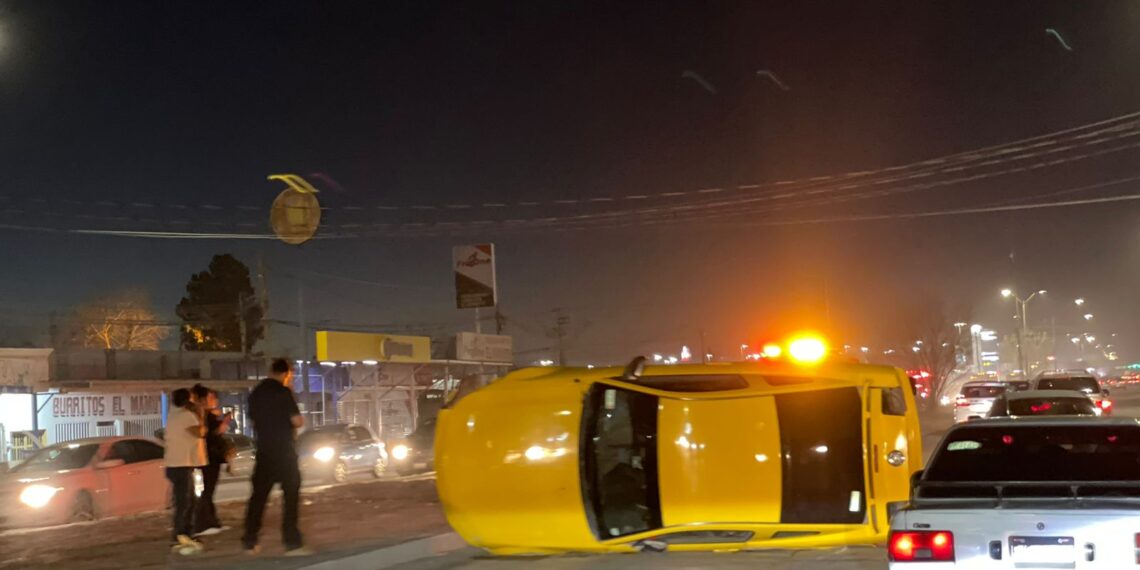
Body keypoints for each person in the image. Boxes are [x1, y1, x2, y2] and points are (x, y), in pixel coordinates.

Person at [242, 358, 310, 556]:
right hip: (284, 452)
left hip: (264, 451)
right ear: (286, 373)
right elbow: (296, 420)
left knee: (258, 497)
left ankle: (249, 539)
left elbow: (254, 420)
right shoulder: (283, 392)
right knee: (290, 495)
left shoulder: (256, 394)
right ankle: (292, 542)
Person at [164, 388, 207, 554]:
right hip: (183, 465)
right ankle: (181, 534)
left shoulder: (173, 416)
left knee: (184, 501)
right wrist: (200, 414)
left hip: (175, 465)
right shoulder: (186, 416)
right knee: (187, 502)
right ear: (187, 400)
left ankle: (183, 533)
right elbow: (201, 432)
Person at [192, 384, 232, 537]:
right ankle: (203, 523)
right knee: (207, 491)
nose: (214, 399)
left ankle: (212, 522)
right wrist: (223, 424)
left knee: (209, 491)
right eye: (210, 397)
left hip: (211, 457)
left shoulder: (208, 415)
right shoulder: (202, 415)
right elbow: (210, 435)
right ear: (202, 399)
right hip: (207, 457)